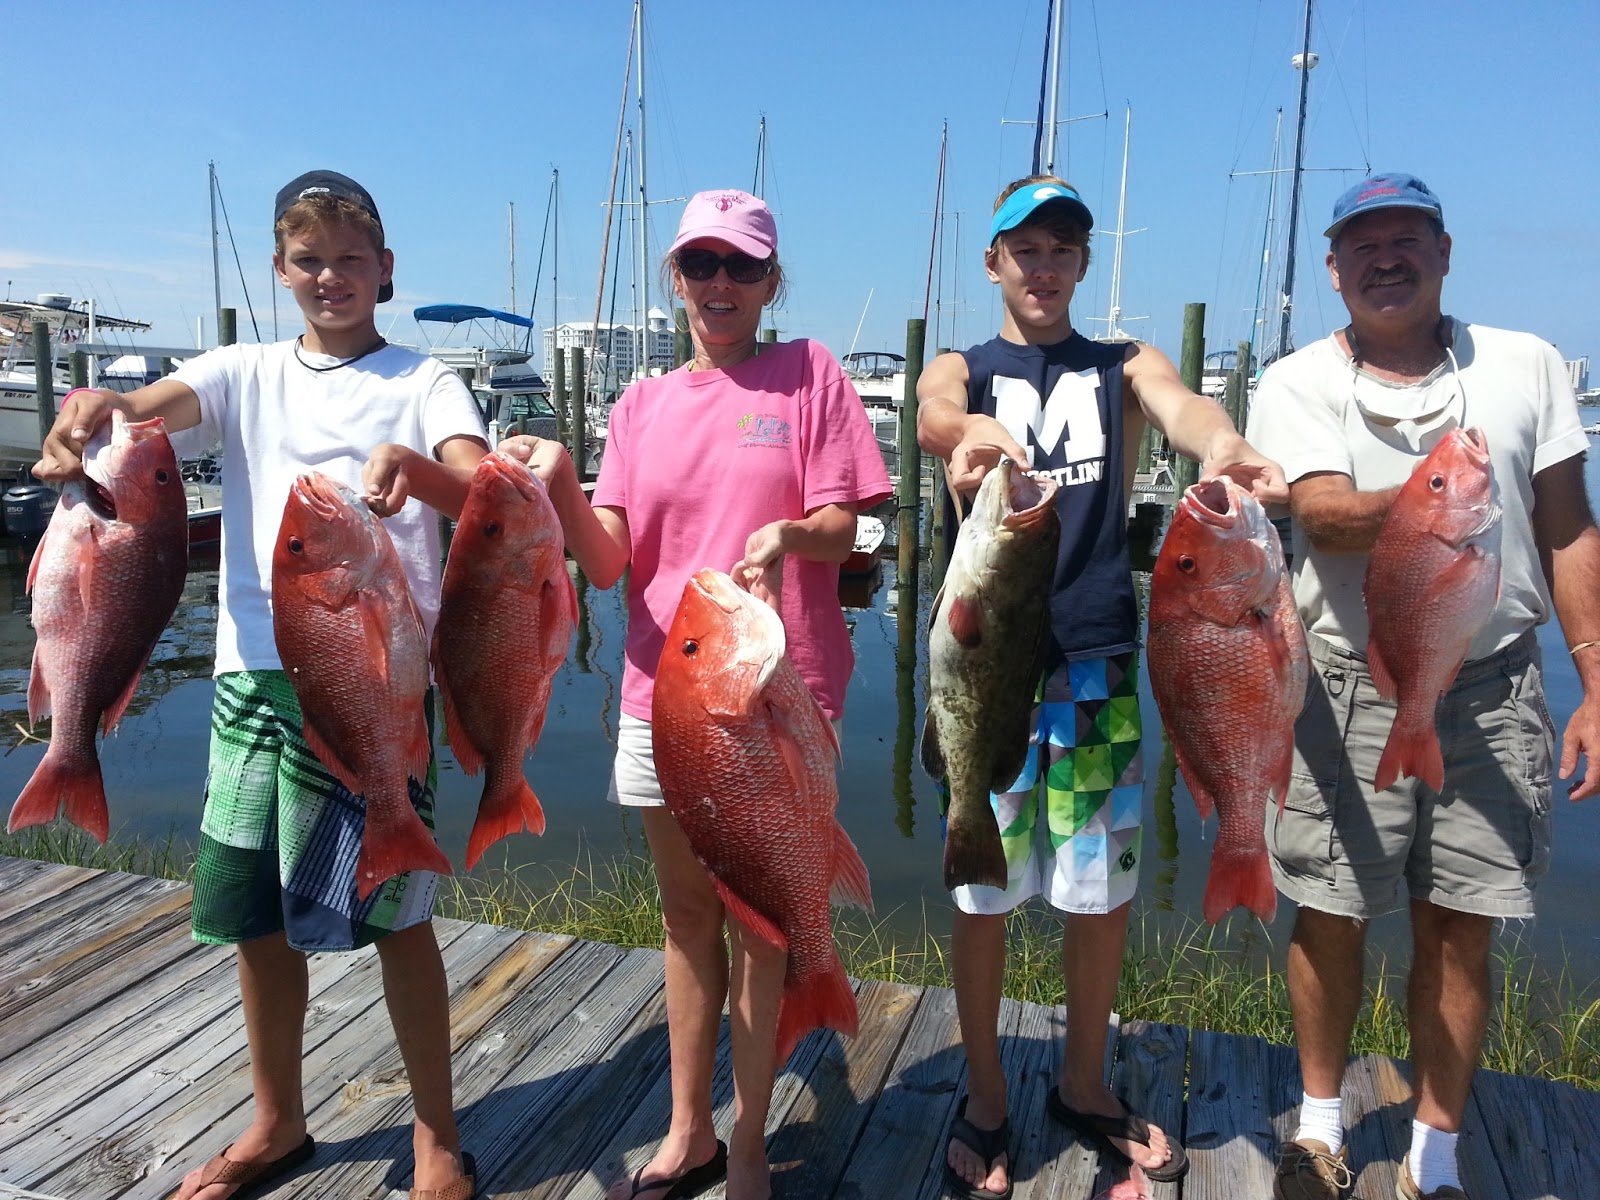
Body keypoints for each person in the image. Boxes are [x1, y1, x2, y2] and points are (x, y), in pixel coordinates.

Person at [34, 171, 488, 1200]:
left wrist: (418, 473)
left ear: (387, 271)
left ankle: (435, 1134)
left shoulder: (426, 382)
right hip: (254, 682)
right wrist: (99, 404)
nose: (330, 277)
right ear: (282, 271)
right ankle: (277, 1121)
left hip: (377, 680)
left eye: (349, 258)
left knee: (398, 914)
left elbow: (476, 482)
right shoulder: (242, 370)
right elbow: (147, 413)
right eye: (309, 259)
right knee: (252, 916)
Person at [503, 189, 890, 1200]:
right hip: (660, 697)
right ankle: (689, 1129)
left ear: (770, 283)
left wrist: (791, 536)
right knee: (685, 918)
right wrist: (556, 491)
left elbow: (848, 525)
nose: (720, 285)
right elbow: (606, 563)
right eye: (701, 265)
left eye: (741, 267)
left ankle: (752, 1142)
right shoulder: (638, 406)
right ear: (676, 278)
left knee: (767, 918)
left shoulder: (810, 375)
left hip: (781, 693)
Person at [916, 175, 1288, 1200]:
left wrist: (1220, 444)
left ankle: (1082, 1082)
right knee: (980, 885)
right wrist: (968, 436)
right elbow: (931, 411)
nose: (1042, 267)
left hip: (1093, 666)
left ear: (1083, 264)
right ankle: (985, 1093)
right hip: (989, 665)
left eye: (1061, 250)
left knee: (1100, 891)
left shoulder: (1120, 363)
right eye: (1023, 249)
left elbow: (1180, 404)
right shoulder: (966, 363)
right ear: (992, 262)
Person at [1246, 173, 1600, 1200]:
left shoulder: (1527, 364)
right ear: (1333, 269)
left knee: (1460, 922)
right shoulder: (1297, 380)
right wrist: (1437, 494)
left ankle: (1433, 1158)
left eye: (1406, 240)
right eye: (1363, 246)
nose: (1385, 259)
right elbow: (1317, 515)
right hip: (1349, 686)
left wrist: (1592, 671)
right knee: (1329, 910)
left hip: (1495, 689)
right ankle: (1318, 1128)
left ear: (1443, 251)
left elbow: (1569, 526)